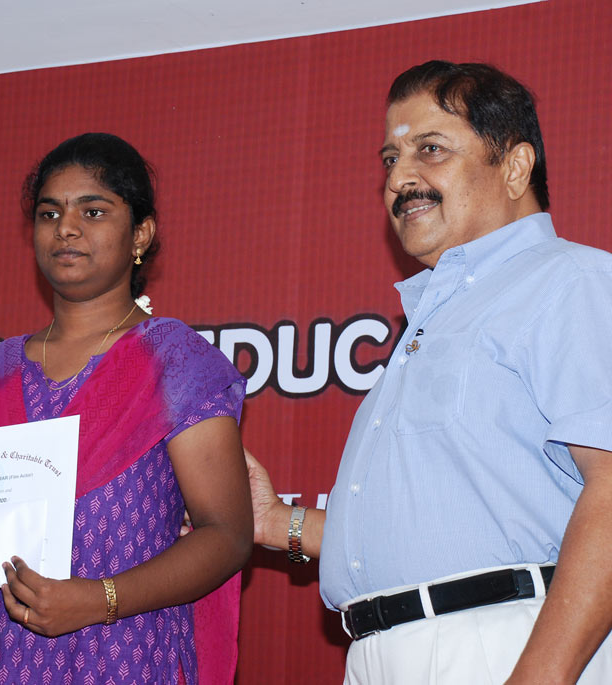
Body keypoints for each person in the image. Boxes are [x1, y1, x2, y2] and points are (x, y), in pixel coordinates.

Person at [247, 60, 612, 684]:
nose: (399, 179)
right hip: (380, 651)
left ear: (516, 166)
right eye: (391, 159)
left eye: (431, 149)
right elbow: (447, 533)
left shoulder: (570, 281)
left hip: (505, 647)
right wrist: (275, 523)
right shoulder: (432, 319)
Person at [0, 132, 253, 684]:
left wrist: (100, 599)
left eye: (92, 211)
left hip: (124, 655)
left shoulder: (176, 363)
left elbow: (227, 535)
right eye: (49, 214)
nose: (66, 228)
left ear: (140, 233)